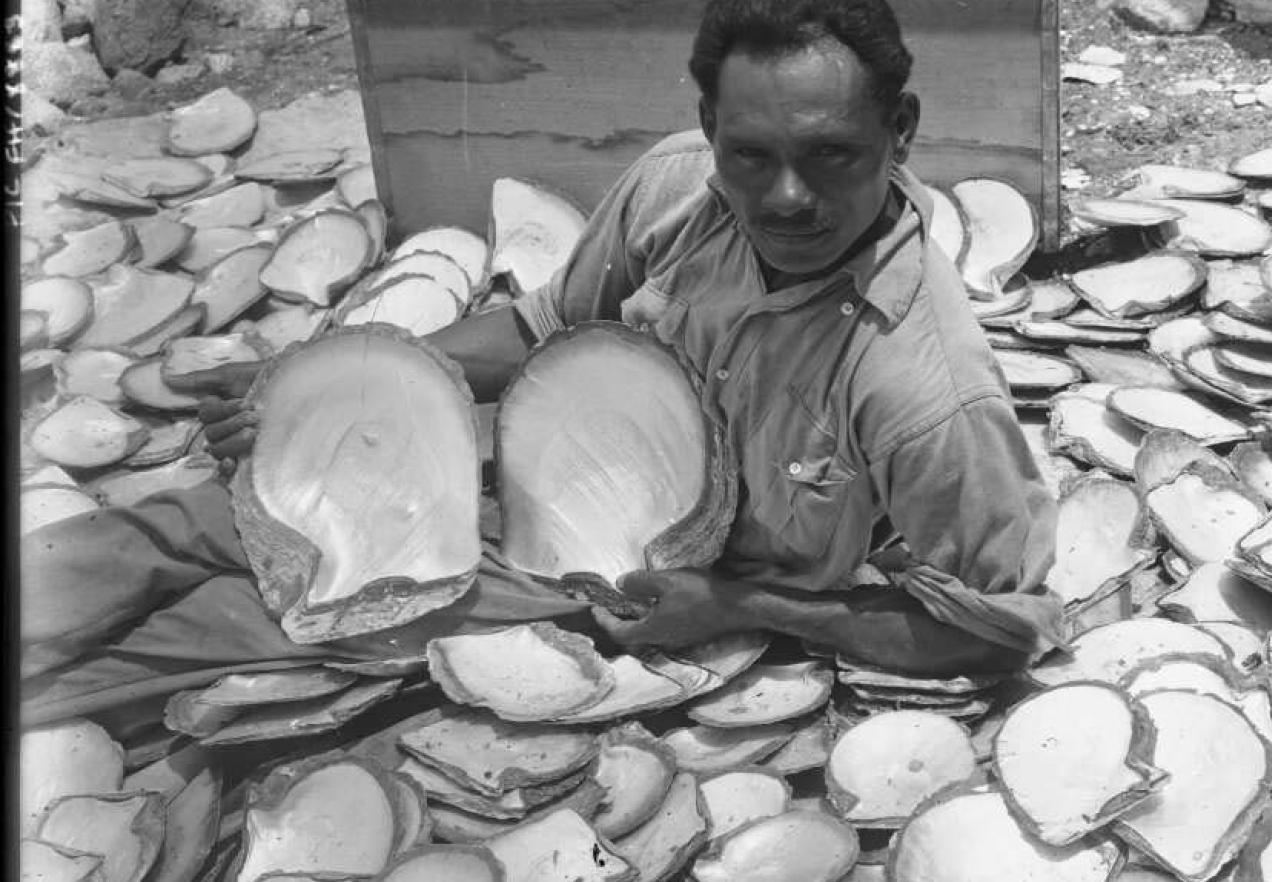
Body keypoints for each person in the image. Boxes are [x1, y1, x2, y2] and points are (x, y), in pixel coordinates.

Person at [21, 0, 1063, 720]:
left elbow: (999, 631)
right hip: (526, 443)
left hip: (608, 560)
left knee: (240, 622)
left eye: (831, 153)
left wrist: (746, 607)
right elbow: (536, 332)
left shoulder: (924, 390)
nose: (786, 197)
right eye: (752, 154)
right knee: (176, 525)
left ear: (902, 133)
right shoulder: (677, 187)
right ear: (711, 129)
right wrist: (321, 388)